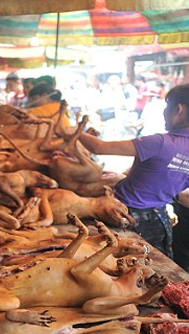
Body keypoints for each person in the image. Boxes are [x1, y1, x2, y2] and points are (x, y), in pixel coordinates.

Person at [77, 84, 189, 259]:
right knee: (151, 267)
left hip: (123, 215)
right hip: (159, 222)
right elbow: (163, 173)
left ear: (179, 110)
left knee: (112, 265)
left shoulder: (159, 142)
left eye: (167, 107)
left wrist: (69, 130)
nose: (164, 113)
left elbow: (98, 147)